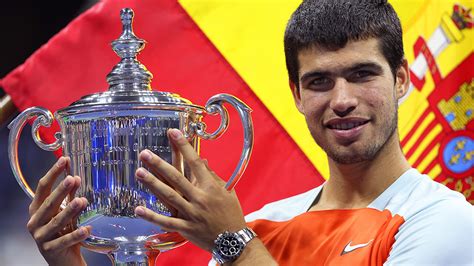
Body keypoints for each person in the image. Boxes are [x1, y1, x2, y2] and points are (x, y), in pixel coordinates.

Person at [26, 0, 473, 265]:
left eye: (361, 75)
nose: (341, 100)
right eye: (319, 81)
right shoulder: (262, 223)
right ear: (297, 94)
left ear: (400, 80)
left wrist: (232, 244)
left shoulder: (445, 221)